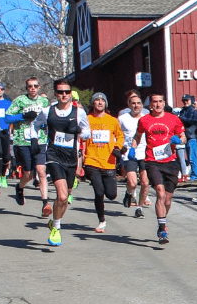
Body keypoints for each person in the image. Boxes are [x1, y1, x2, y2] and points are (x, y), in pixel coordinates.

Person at [33, 79, 91, 246]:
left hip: (71, 157)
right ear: (55, 93)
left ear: (70, 93)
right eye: (60, 92)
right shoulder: (47, 111)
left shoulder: (78, 112)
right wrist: (35, 140)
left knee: (65, 198)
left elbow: (87, 131)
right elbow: (35, 125)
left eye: (67, 92)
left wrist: (79, 132)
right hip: (53, 155)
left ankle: (55, 221)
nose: (64, 95)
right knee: (62, 195)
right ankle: (56, 228)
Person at [131, 92, 186, 244]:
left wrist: (178, 140)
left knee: (167, 200)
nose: (158, 104)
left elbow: (183, 136)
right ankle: (162, 229)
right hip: (152, 161)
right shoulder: (144, 120)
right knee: (160, 194)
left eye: (160, 101)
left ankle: (163, 220)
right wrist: (132, 148)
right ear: (150, 105)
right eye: (155, 102)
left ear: (163, 103)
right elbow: (137, 135)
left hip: (170, 162)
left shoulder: (173, 119)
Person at [5, 77, 51, 217]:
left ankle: (45, 203)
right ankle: (19, 187)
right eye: (30, 86)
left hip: (40, 139)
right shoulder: (20, 101)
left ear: (39, 87)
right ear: (26, 88)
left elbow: (48, 118)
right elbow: (7, 118)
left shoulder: (44, 102)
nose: (33, 88)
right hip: (22, 141)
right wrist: (23, 115)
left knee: (41, 171)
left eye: (35, 86)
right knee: (29, 174)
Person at [84, 92, 124, 233]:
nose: (100, 102)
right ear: (93, 103)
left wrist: (117, 148)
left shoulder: (112, 120)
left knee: (111, 195)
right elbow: (81, 138)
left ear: (105, 104)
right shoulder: (87, 119)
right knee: (99, 192)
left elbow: (120, 136)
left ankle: (103, 214)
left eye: (102, 100)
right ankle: (101, 220)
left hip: (109, 162)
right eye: (97, 100)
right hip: (92, 160)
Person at [118, 94, 149, 218]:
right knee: (132, 182)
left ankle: (139, 208)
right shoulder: (123, 118)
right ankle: (128, 192)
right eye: (133, 103)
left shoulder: (147, 118)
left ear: (142, 105)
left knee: (145, 183)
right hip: (129, 153)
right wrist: (119, 147)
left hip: (145, 153)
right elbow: (116, 134)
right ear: (129, 105)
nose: (136, 106)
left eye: (138, 103)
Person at [179, 94, 197, 181]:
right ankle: (194, 174)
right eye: (183, 100)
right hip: (187, 136)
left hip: (192, 136)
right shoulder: (183, 111)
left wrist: (181, 118)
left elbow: (193, 121)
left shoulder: (193, 111)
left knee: (193, 157)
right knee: (190, 156)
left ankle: (196, 175)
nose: (185, 102)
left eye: (187, 100)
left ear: (191, 100)